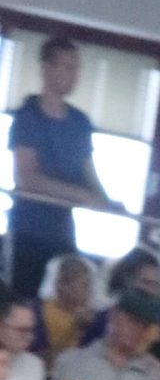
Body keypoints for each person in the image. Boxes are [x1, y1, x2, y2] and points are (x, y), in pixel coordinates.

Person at [6, 33, 117, 298]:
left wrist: (105, 201)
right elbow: (27, 178)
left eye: (76, 68)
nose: (74, 75)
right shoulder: (27, 117)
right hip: (28, 232)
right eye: (67, 67)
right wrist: (81, 195)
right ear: (47, 68)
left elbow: (88, 172)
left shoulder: (79, 122)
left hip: (63, 232)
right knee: (23, 300)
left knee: (63, 303)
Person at [34, 250, 95, 362]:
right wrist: (74, 329)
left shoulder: (95, 318)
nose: (88, 291)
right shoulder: (38, 314)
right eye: (84, 285)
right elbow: (39, 360)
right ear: (62, 285)